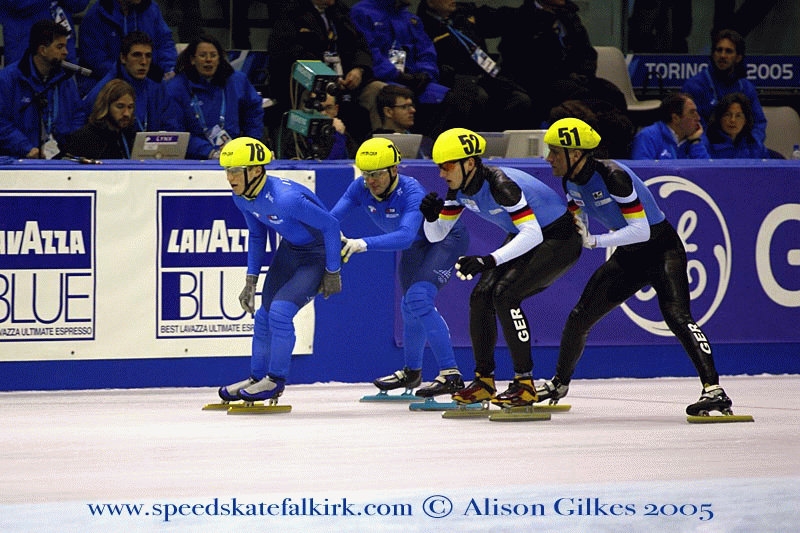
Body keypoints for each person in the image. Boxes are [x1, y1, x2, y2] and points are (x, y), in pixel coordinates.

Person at [538, 117, 735, 417]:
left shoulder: (613, 176)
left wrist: (596, 242)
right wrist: (577, 233)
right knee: (580, 316)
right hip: (630, 255)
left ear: (575, 154)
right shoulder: (569, 180)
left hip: (661, 248)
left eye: (554, 151)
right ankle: (559, 384)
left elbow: (641, 230)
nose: (548, 158)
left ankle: (714, 390)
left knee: (677, 315)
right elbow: (580, 217)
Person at [422, 128, 582, 407]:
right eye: (439, 167)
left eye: (446, 166)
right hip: (527, 235)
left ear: (469, 163)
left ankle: (524, 384)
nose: (441, 174)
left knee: (505, 295)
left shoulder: (500, 184)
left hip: (559, 237)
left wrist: (487, 260)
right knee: (480, 296)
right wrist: (430, 218)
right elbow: (436, 234)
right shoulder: (458, 189)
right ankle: (484, 381)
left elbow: (532, 233)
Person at [331, 137, 469, 397]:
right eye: (366, 174)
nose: (370, 181)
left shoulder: (412, 191)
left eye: (377, 175)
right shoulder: (359, 187)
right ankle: (412, 372)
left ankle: (451, 375)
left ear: (394, 170)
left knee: (419, 298)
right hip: (417, 245)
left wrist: (361, 243)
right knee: (409, 307)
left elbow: (405, 236)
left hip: (445, 240)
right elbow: (331, 219)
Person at [217, 136, 342, 403]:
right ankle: (256, 378)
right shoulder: (242, 197)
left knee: (281, 312)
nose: (229, 178)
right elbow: (257, 236)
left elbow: (331, 226)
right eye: (227, 171)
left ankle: (275, 380)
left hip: (318, 254)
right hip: (291, 252)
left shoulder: (286, 199)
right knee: (263, 316)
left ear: (256, 170)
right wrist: (250, 280)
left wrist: (333, 271)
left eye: (235, 171)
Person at [349, 0, 477, 137]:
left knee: (450, 98)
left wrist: (425, 73)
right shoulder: (362, 11)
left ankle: (429, 149)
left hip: (413, 80)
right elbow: (369, 53)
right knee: (393, 97)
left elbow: (426, 52)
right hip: (382, 79)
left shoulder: (411, 19)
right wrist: (398, 76)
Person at [497, 0, 626, 128]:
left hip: (574, 80)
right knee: (588, 100)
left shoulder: (569, 16)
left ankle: (616, 143)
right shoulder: (518, 18)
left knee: (613, 94)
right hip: (539, 85)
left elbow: (587, 54)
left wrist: (581, 75)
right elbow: (528, 64)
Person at [266, 0, 378, 143]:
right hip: (307, 82)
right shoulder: (291, 11)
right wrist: (325, 76)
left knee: (376, 91)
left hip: (344, 83)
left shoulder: (341, 12)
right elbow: (283, 51)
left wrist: (358, 69)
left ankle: (374, 148)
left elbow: (360, 45)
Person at [416, 0, 533, 131]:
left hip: (484, 77)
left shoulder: (463, 18)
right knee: (479, 97)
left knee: (520, 98)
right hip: (454, 80)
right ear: (430, 3)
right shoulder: (423, 27)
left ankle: (502, 142)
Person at [161, 35, 265, 160]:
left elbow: (254, 113)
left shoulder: (237, 81)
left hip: (235, 155)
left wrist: (250, 145)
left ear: (220, 59)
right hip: (192, 159)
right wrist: (209, 153)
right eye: (203, 55)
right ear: (193, 59)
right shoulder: (176, 87)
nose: (208, 60)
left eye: (213, 55)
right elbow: (175, 132)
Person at [0, 20, 84, 158]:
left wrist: (70, 144)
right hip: (20, 159)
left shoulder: (66, 78)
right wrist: (26, 148)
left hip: (60, 158)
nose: (66, 52)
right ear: (43, 50)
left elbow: (78, 114)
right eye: (60, 47)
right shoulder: (8, 79)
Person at [681, 29, 767, 144]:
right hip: (708, 150)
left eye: (728, 51)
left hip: (740, 149)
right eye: (719, 50)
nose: (722, 55)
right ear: (713, 54)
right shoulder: (695, 86)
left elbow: (759, 123)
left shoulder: (746, 87)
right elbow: (691, 126)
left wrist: (751, 145)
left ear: (738, 57)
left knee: (778, 159)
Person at [81, 31, 165, 133]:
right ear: (123, 58)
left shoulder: (156, 88)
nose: (143, 62)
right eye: (136, 55)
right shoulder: (104, 90)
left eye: (148, 56)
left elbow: (170, 125)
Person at [78, 0, 178, 82]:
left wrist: (169, 70)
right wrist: (127, 76)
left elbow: (165, 43)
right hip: (109, 85)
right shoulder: (97, 14)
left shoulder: (151, 9)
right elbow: (95, 59)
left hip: (147, 80)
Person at [61, 79, 136, 159]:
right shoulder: (83, 138)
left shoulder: (132, 137)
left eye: (130, 107)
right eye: (120, 106)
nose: (126, 113)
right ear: (105, 106)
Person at [0, 0, 89, 66]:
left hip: (64, 47)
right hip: (26, 49)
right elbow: (17, 4)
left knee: (66, 87)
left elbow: (79, 4)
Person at [630, 93, 710, 160]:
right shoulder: (648, 137)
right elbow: (642, 172)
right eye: (692, 113)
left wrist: (695, 142)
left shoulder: (698, 138)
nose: (698, 118)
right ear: (675, 118)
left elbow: (706, 173)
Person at [706, 92, 772, 159]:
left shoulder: (754, 145)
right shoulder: (707, 145)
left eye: (738, 116)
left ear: (746, 120)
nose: (733, 120)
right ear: (719, 118)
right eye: (727, 115)